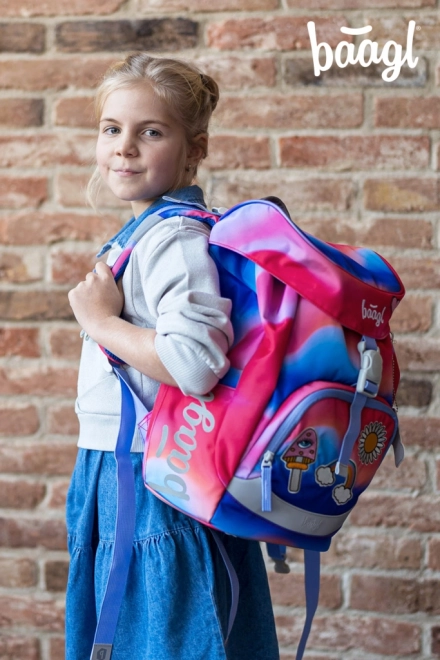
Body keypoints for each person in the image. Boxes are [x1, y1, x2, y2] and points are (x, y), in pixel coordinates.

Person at [66, 53, 280, 660]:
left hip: (153, 481)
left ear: (195, 149)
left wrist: (100, 322)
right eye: (112, 128)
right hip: (128, 470)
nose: (124, 147)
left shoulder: (174, 237)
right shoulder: (147, 231)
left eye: (151, 131)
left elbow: (194, 362)